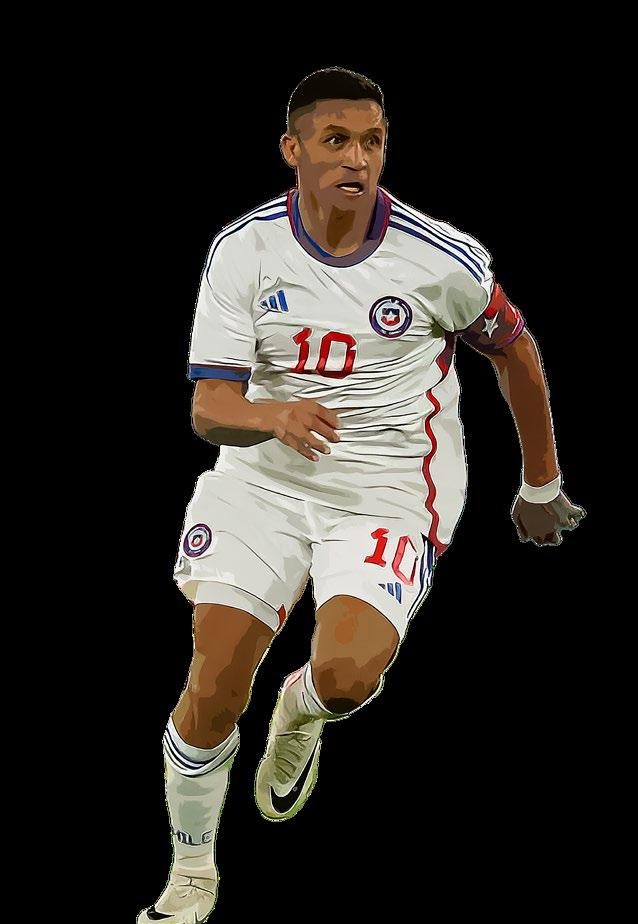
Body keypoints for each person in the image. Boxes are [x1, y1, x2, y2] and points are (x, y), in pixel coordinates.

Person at [137, 66, 586, 923]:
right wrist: (270, 416)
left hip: (387, 487)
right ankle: (191, 873)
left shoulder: (440, 258)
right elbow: (209, 408)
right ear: (293, 149)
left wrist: (541, 482)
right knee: (215, 682)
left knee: (346, 677)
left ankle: (300, 713)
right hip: (262, 479)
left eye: (373, 142)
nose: (357, 158)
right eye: (336, 140)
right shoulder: (242, 250)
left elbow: (516, 353)